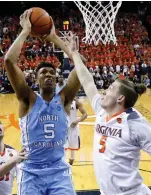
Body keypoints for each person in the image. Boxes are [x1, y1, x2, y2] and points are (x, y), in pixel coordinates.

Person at [4, 10, 85, 195]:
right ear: (36, 79)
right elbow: (9, 61)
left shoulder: (64, 99)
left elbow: (83, 66)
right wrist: (25, 32)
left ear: (56, 79)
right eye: (43, 73)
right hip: (31, 171)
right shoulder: (27, 99)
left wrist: (55, 38)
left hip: (59, 172)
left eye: (51, 73)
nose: (48, 75)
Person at [67, 32, 151, 195]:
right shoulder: (101, 109)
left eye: (111, 88)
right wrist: (74, 53)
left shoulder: (135, 124)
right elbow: (87, 81)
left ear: (120, 98)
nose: (104, 91)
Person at [0, 121, 27, 195]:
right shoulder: (15, 157)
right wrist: (13, 161)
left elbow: (22, 178)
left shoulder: (14, 153)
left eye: (0, 123)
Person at [65, 98, 87, 165]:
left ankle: (70, 166)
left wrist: (77, 121)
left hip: (73, 128)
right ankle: (63, 167)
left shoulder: (76, 102)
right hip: (62, 128)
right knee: (61, 149)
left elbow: (85, 114)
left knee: (72, 150)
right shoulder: (60, 100)